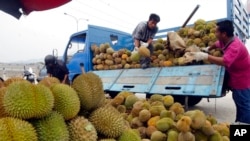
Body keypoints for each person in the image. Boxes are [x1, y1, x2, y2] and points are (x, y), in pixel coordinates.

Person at [184, 20, 250, 124]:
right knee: (239, 103)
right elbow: (217, 43)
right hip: (235, 75)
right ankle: (239, 123)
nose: (215, 34)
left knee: (243, 104)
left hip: (242, 79)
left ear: (224, 34)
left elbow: (225, 61)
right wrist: (208, 48)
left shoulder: (234, 46)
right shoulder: (226, 40)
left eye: (217, 32)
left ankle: (243, 127)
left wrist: (205, 56)